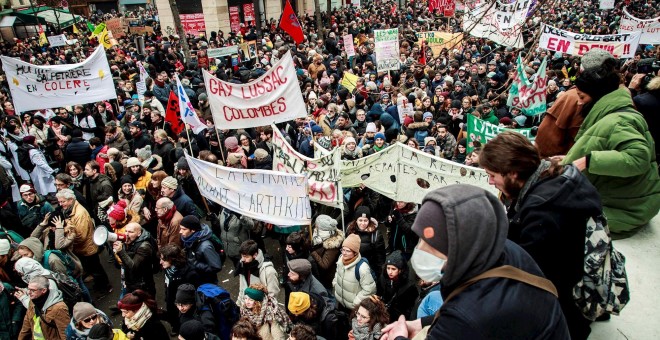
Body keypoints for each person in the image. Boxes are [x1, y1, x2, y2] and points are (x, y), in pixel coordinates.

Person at [380, 185, 569, 339]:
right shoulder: (499, 249)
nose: (421, 249)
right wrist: (420, 323)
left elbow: (464, 320)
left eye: (431, 244)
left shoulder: (469, 314)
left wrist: (400, 337)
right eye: (421, 239)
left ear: (459, 245)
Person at [481, 131, 602, 339]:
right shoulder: (560, 174)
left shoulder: (542, 212)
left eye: (493, 175)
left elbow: (527, 271)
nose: (491, 182)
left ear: (513, 173)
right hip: (579, 267)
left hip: (563, 293)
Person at [563, 52, 660, 236]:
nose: (578, 102)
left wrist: (588, 161)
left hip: (626, 209)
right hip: (621, 200)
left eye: (582, 97)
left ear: (597, 96)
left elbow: (638, 157)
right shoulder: (611, 113)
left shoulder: (619, 120)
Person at [56, 189, 111, 293]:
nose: (60, 204)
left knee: (96, 269)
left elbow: (81, 235)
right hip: (83, 248)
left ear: (71, 200)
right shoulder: (71, 210)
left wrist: (67, 239)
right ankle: (100, 285)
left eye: (63, 201)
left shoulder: (79, 214)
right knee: (93, 269)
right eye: (59, 202)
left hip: (87, 247)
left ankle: (105, 287)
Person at [333, 234, 377, 311]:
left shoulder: (362, 268)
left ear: (355, 253)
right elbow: (337, 274)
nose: (344, 253)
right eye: (343, 249)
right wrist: (335, 285)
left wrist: (356, 303)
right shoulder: (340, 259)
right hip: (340, 304)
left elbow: (370, 290)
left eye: (348, 251)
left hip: (353, 308)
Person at [18, 276, 70, 340]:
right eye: (28, 289)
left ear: (44, 290)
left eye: (33, 290)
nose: (29, 292)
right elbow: (26, 326)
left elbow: (65, 333)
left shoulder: (59, 308)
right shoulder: (33, 301)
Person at [113, 223, 157, 296]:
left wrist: (121, 251)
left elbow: (133, 267)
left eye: (130, 232)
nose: (126, 234)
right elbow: (119, 264)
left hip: (143, 286)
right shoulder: (128, 241)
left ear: (139, 233)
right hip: (130, 282)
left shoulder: (144, 246)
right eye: (126, 231)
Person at [377, 251, 418, 322]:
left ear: (400, 270)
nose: (390, 272)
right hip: (384, 315)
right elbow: (378, 293)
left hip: (399, 318)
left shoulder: (409, 286)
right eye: (388, 268)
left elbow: (410, 308)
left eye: (393, 269)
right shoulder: (383, 278)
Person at [235, 240, 279, 306]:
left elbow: (273, 294)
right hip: (247, 306)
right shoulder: (242, 265)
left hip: (261, 308)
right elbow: (242, 288)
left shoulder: (268, 271)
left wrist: (265, 310)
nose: (243, 259)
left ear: (255, 255)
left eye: (246, 257)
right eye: (242, 256)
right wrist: (238, 305)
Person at [179, 216, 222, 284]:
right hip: (195, 277)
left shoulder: (205, 247)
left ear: (193, 230)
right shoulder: (188, 239)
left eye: (184, 229)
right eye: (180, 228)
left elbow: (216, 267)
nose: (180, 232)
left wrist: (196, 264)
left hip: (206, 281)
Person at [308, 215, 345, 290]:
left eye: (317, 227)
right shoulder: (326, 237)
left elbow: (325, 264)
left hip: (327, 278)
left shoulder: (332, 246)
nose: (315, 228)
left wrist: (313, 252)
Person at [346, 206, 385, 275]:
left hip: (367, 269)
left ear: (369, 221)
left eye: (365, 220)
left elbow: (380, 258)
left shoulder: (375, 235)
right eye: (360, 220)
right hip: (351, 266)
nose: (363, 223)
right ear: (356, 220)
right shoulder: (349, 229)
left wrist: (379, 274)